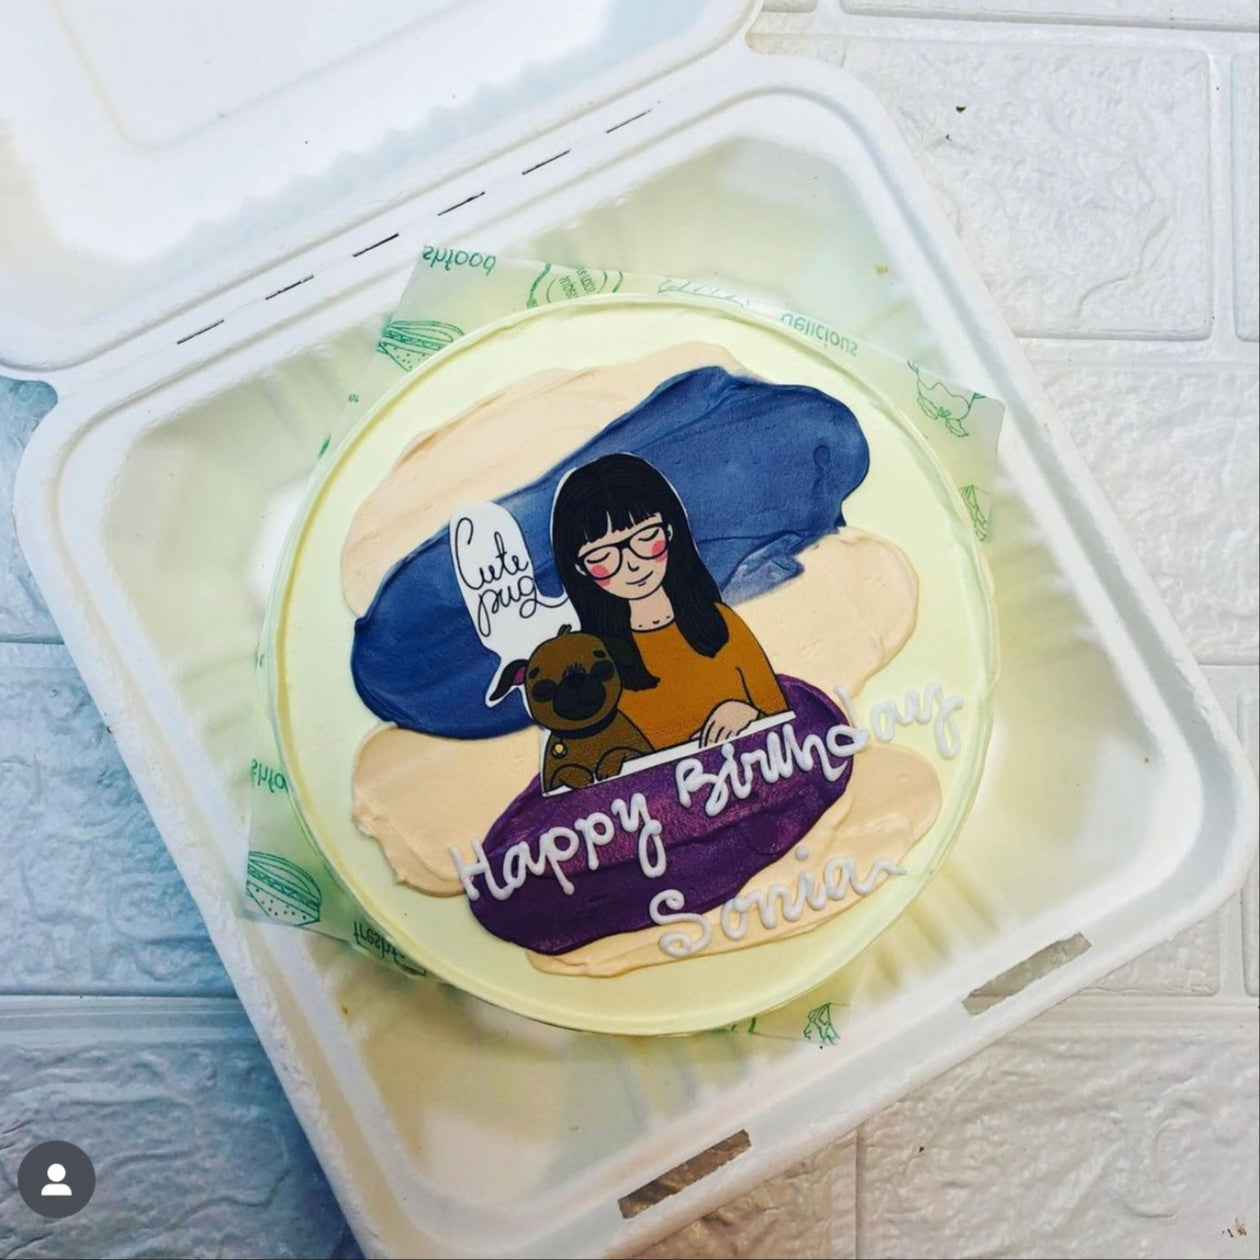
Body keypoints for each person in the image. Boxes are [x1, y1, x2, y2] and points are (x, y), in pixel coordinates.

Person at [551, 453, 787, 750]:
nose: (632, 564)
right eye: (603, 556)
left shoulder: (722, 625)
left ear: (670, 532)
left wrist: (751, 716)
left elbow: (785, 720)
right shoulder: (591, 667)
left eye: (646, 537)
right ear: (580, 569)